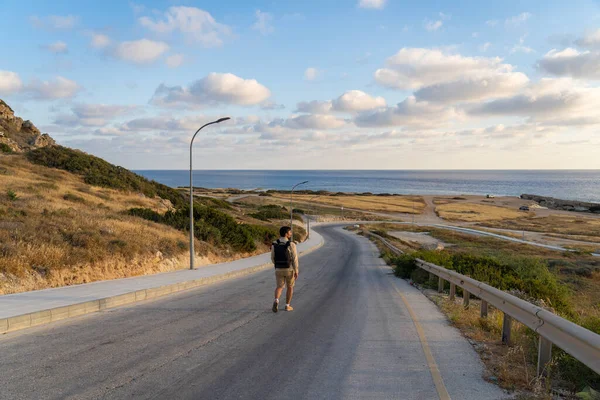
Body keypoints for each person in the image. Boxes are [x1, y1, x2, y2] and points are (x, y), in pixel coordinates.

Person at [271, 226, 299, 313]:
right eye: (290, 232)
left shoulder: (275, 243)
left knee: (279, 287)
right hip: (289, 269)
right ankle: (287, 306)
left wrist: (278, 264)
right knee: (290, 287)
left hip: (278, 268)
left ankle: (276, 300)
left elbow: (272, 258)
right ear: (286, 234)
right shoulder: (291, 244)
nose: (291, 234)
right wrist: (296, 270)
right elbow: (294, 258)